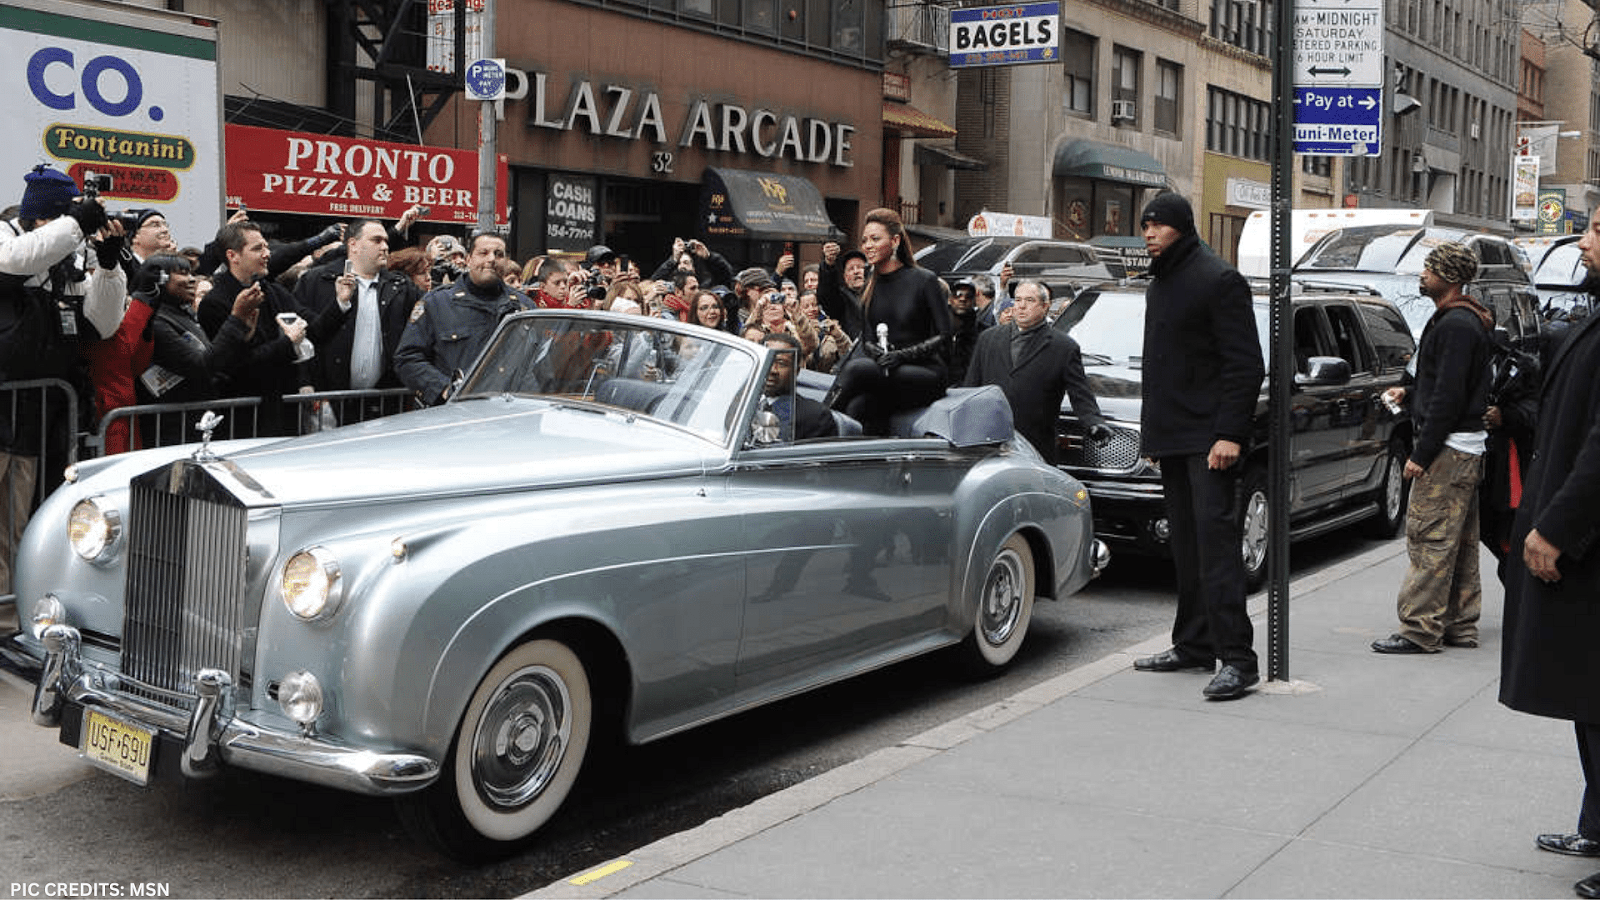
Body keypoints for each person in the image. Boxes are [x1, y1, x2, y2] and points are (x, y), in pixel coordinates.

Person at [1501, 207, 1600, 900]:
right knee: (1587, 701)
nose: (1585, 241)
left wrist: (1558, 526)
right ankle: (1597, 823)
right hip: (1577, 540)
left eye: (1597, 229)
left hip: (1587, 544)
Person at [1129, 193, 1264, 701]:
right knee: (1184, 547)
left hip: (1211, 439)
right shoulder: (1160, 282)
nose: (1148, 232)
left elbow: (1245, 364)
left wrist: (1229, 433)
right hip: (1174, 436)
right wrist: (1152, 437)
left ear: (1181, 227)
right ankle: (1192, 644)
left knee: (1216, 549)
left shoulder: (1219, 279)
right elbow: (1159, 367)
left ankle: (1238, 659)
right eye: (1145, 225)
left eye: (1158, 224)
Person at [0, 165, 126, 586]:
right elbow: (14, 262)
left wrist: (108, 268)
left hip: (39, 419)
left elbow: (101, 325)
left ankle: (12, 616)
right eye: (63, 218)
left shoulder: (63, 262)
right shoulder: (7, 239)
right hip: (8, 410)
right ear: (40, 218)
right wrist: (76, 223)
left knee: (21, 525)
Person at [1371, 242, 1492, 654]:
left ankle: (1420, 629)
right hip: (1464, 447)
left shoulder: (1457, 325)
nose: (1423, 274)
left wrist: (1420, 455)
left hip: (1448, 450)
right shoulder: (1463, 321)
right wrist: (1409, 392)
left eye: (1430, 268)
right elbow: (1443, 385)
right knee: (1458, 542)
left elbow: (1449, 396)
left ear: (1450, 278)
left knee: (1430, 538)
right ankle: (1459, 624)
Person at [200, 221, 349, 436]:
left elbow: (315, 331)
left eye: (266, 247)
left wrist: (341, 303)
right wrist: (288, 343)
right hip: (243, 421)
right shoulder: (214, 303)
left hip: (283, 410)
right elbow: (239, 366)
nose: (267, 254)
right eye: (257, 248)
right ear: (233, 256)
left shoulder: (273, 291)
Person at [825, 207, 952, 435]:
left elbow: (944, 337)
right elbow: (867, 341)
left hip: (926, 374)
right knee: (858, 407)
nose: (867, 246)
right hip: (887, 375)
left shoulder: (924, 280)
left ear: (894, 241)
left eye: (875, 239)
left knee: (855, 369)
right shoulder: (869, 286)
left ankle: (814, 425)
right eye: (864, 240)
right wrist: (879, 355)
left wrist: (901, 356)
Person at [964, 280, 1108, 464]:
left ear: (1045, 306)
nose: (1021, 306)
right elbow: (971, 387)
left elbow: (1080, 393)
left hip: (1036, 445)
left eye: (1030, 300)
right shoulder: (989, 338)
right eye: (1018, 300)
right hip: (988, 442)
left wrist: (1094, 422)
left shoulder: (1063, 347)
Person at [134, 254, 259, 444]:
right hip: (172, 430)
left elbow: (215, 362)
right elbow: (200, 365)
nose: (192, 279)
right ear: (159, 279)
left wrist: (242, 337)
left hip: (196, 423)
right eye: (183, 273)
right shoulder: (156, 321)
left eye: (192, 273)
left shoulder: (182, 315)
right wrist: (235, 319)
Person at [395, 232, 532, 405]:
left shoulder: (524, 307)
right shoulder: (437, 303)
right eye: (483, 253)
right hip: (456, 415)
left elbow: (540, 365)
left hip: (512, 414)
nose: (491, 259)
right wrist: (444, 390)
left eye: (499, 254)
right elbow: (407, 359)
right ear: (468, 260)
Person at [294, 219, 424, 393]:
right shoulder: (316, 281)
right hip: (328, 400)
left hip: (385, 401)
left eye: (386, 241)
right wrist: (304, 381)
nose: (385, 246)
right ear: (353, 245)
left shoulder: (401, 286)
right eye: (376, 240)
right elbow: (298, 338)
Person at [758, 331, 836, 441]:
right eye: (768, 361)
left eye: (781, 363)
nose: (773, 370)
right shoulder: (738, 404)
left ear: (796, 371)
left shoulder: (815, 417)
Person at [947, 277, 986, 384]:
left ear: (974, 301)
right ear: (950, 299)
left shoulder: (983, 332)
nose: (962, 299)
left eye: (968, 296)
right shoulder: (936, 327)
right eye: (958, 294)